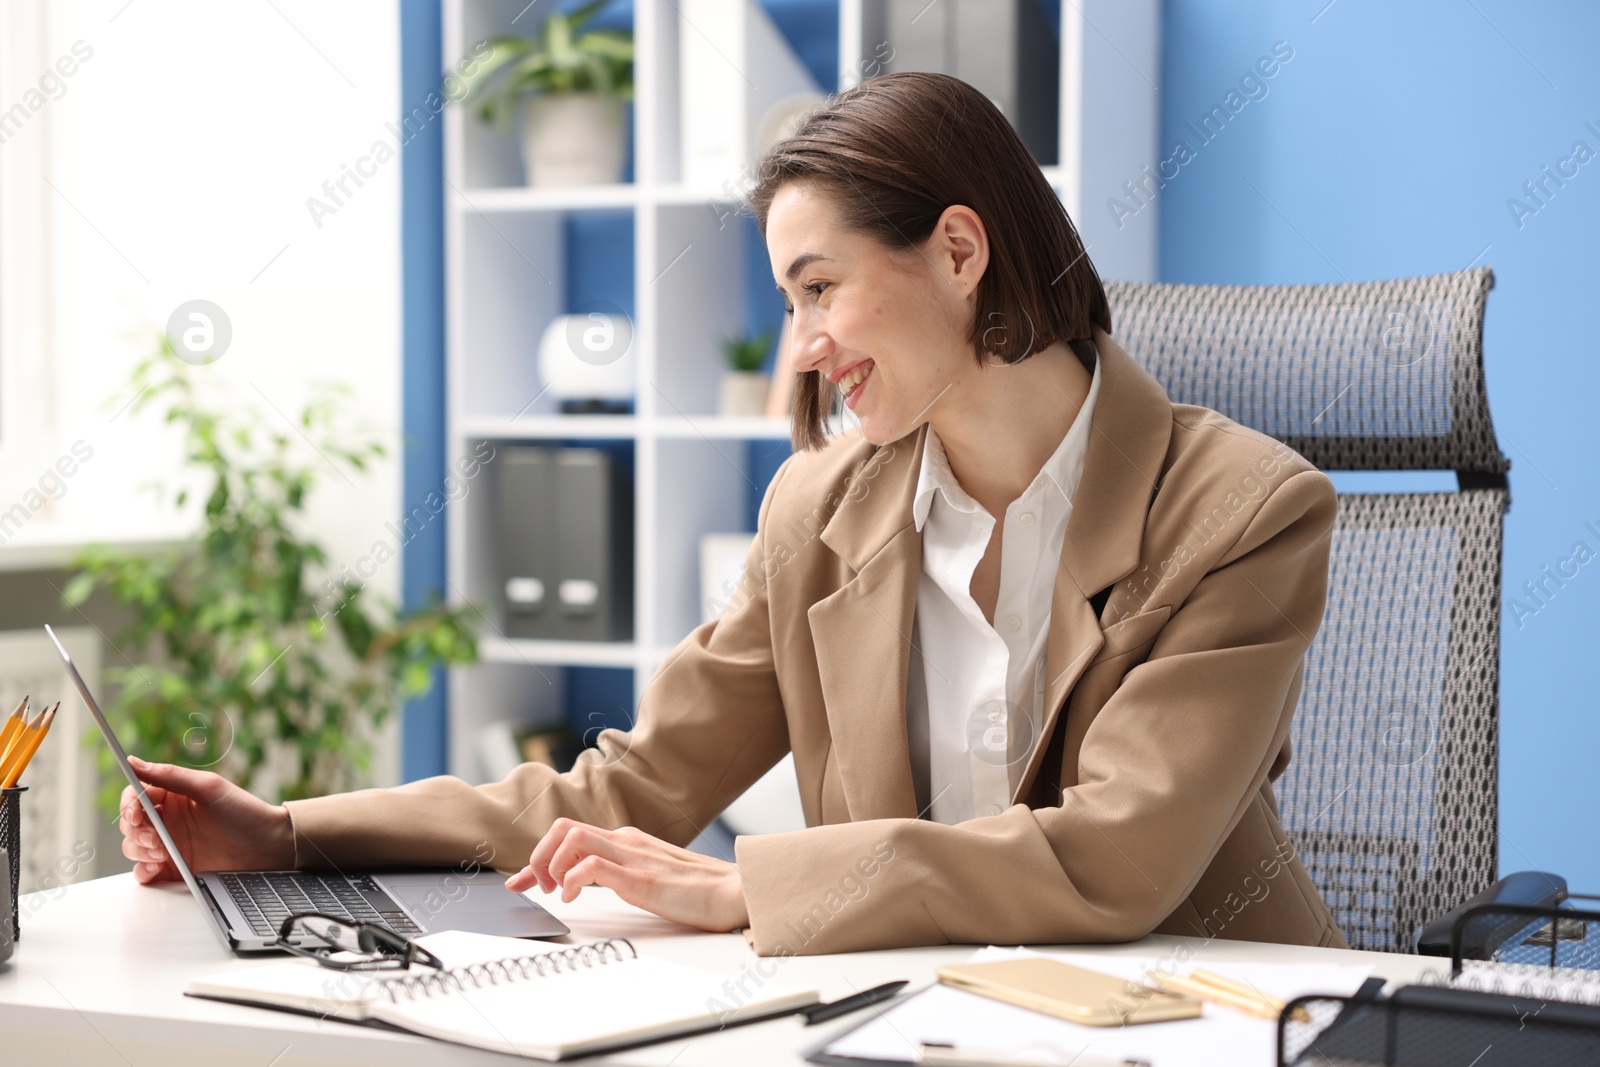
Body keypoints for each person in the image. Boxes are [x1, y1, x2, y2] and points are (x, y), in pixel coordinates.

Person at [120, 72, 1348, 956]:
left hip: (1200, 1015)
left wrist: (751, 885)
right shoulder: (819, 510)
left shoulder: (1240, 512)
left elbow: (1117, 854)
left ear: (959, 250)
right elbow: (629, 790)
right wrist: (284, 834)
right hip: (923, 1021)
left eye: (820, 291)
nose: (801, 350)